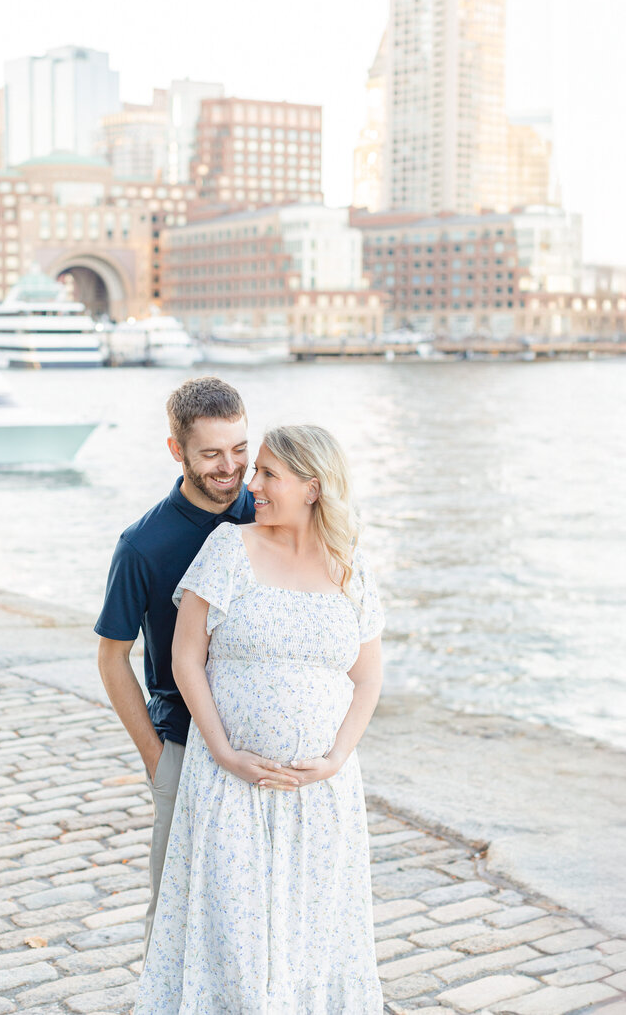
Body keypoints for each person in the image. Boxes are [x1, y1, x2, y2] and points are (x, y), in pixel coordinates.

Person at [134, 424, 385, 1013]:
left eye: (269, 473)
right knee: (232, 939)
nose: (253, 484)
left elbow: (368, 677)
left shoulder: (350, 567)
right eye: (257, 471)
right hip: (229, 784)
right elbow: (185, 656)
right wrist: (221, 751)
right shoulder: (228, 548)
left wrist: (333, 761)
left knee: (314, 937)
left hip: (321, 795)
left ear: (313, 486)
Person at [95, 377, 287, 955]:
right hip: (183, 746)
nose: (229, 468)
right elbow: (111, 658)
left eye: (239, 450)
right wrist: (157, 759)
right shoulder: (142, 546)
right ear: (177, 450)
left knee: (270, 906)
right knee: (178, 913)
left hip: (270, 747)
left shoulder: (271, 513)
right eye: (210, 454)